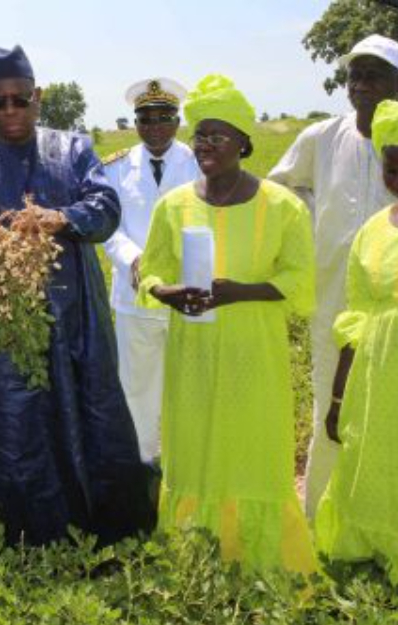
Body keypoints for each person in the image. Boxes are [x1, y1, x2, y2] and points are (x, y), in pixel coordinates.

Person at [0, 45, 155, 546]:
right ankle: (23, 537)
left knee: (91, 417)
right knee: (12, 427)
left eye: (20, 99)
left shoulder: (73, 151)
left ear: (38, 96)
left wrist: (61, 218)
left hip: (77, 320)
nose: (10, 110)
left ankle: (105, 529)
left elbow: (106, 208)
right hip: (2, 327)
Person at [137, 75, 316, 575]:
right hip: (193, 353)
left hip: (253, 353)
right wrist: (166, 292)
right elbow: (150, 272)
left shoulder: (282, 207)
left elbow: (300, 282)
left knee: (252, 451)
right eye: (199, 135)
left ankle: (262, 563)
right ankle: (196, 561)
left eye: (217, 135)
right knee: (194, 449)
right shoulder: (173, 206)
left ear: (242, 141)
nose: (205, 145)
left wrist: (242, 291)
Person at [269, 34, 398, 518]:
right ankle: (320, 519)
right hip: (331, 300)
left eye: (374, 76)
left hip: (389, 312)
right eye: (354, 75)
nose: (360, 85)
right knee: (329, 405)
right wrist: (310, 220)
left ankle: (378, 519)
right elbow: (280, 189)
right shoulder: (321, 137)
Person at [316, 100, 398, 581]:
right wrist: (337, 397)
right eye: (392, 167)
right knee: (373, 462)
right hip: (376, 374)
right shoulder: (371, 231)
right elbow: (356, 316)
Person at [103, 77, 199, 465]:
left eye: (164, 117)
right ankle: (142, 467)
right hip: (134, 296)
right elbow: (108, 227)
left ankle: (185, 465)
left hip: (187, 293)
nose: (155, 126)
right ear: (135, 123)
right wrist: (132, 259)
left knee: (189, 386)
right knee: (136, 388)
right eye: (146, 118)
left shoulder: (198, 162)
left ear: (177, 121)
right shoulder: (115, 168)